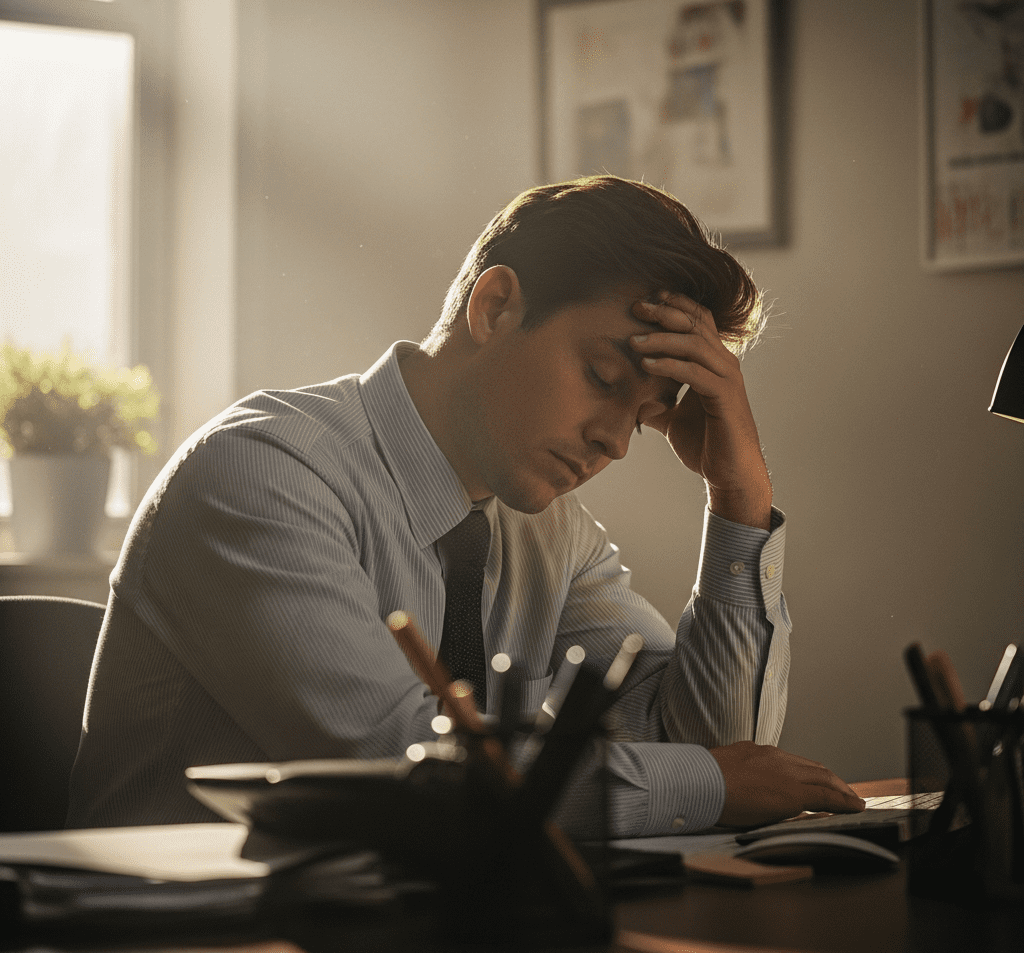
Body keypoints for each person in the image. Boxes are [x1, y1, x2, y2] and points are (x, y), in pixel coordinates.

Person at [67, 176, 864, 835]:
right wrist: (711, 788)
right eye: (604, 379)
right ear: (496, 307)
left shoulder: (548, 527)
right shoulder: (261, 471)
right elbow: (398, 766)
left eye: (646, 412)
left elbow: (717, 748)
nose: (617, 442)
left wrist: (740, 497)